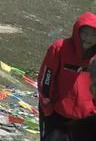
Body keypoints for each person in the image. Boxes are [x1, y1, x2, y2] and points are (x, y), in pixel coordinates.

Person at [37, 12, 96, 141]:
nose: (88, 38)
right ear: (76, 31)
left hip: (86, 119)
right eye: (84, 32)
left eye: (93, 35)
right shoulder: (59, 48)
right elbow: (46, 80)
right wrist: (48, 109)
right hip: (57, 115)